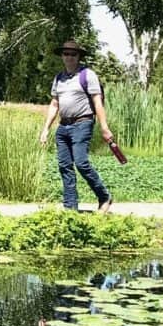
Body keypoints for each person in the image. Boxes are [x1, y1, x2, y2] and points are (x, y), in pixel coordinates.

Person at [39, 40, 113, 212]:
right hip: (63, 127)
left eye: (73, 54)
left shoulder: (87, 75)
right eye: (66, 54)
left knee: (81, 163)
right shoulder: (59, 78)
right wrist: (46, 129)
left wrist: (104, 127)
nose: (69, 57)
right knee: (65, 166)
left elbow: (97, 102)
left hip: (82, 123)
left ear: (79, 56)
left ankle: (104, 196)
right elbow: (54, 104)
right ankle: (70, 208)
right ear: (62, 56)